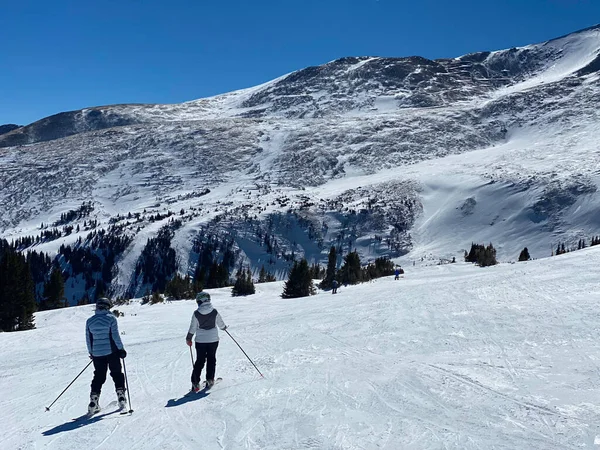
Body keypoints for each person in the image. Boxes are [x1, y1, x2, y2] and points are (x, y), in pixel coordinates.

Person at [85, 297, 127, 414]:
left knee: (98, 376)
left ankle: (94, 401)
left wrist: (91, 353)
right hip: (112, 352)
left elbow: (88, 339)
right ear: (108, 306)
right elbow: (115, 336)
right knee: (117, 374)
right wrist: (121, 349)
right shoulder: (111, 319)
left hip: (97, 354)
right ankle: (121, 397)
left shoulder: (90, 321)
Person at [186, 291, 227, 392]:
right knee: (211, 359)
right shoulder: (214, 311)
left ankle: (195, 382)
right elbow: (220, 324)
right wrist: (224, 328)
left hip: (200, 341)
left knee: (200, 360)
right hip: (213, 340)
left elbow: (193, 327)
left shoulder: (196, 313)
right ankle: (210, 379)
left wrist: (189, 338)